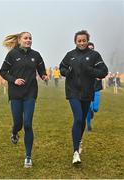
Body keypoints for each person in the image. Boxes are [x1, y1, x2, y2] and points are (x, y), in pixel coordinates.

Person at [0, 32, 48, 168]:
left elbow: (41, 70)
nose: (29, 40)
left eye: (30, 38)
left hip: (30, 93)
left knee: (27, 124)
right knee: (18, 124)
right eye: (26, 38)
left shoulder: (36, 55)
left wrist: (44, 76)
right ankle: (14, 132)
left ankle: (28, 156)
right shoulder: (12, 54)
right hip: (15, 94)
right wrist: (14, 80)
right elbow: (3, 71)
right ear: (19, 40)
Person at [59, 30, 108, 164]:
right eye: (79, 41)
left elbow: (104, 71)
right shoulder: (70, 55)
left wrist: (90, 70)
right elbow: (61, 67)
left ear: (87, 41)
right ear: (75, 42)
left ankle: (78, 140)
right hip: (72, 92)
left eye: (84, 40)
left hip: (87, 92)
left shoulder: (94, 55)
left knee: (81, 120)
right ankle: (75, 152)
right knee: (78, 118)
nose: (81, 43)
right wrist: (66, 72)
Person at [86, 42, 103, 131]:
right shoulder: (83, 61)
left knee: (95, 108)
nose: (91, 50)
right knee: (88, 108)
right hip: (86, 89)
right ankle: (88, 126)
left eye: (92, 48)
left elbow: (103, 70)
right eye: (89, 48)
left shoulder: (98, 60)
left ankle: (92, 112)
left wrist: (100, 75)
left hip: (96, 88)